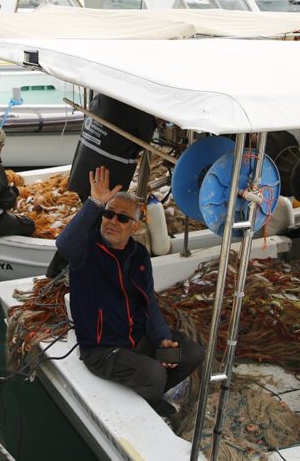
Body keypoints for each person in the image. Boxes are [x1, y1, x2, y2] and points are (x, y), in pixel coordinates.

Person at [55, 166, 205, 417]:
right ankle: (152, 399)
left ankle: (152, 391)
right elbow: (64, 244)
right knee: (154, 374)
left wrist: (161, 338)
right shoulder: (86, 250)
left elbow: (148, 302)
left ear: (134, 227)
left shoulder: (139, 255)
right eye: (108, 214)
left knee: (192, 353)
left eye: (122, 218)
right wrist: (94, 204)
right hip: (102, 349)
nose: (113, 221)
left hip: (139, 338)